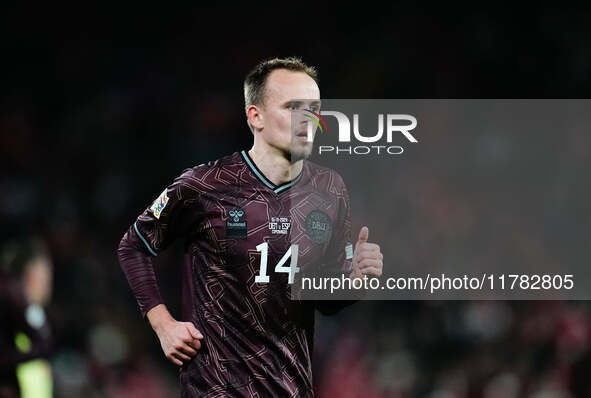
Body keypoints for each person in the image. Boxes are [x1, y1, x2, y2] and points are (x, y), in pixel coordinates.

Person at [117, 56, 383, 397]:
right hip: (216, 388)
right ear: (255, 116)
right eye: (293, 108)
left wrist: (354, 280)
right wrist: (163, 324)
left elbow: (324, 298)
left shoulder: (329, 190)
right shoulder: (204, 185)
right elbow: (134, 245)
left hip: (291, 388)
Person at [0, 238, 54, 398]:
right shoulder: (21, 310)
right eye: (44, 274)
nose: (47, 283)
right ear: (29, 273)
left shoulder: (33, 313)